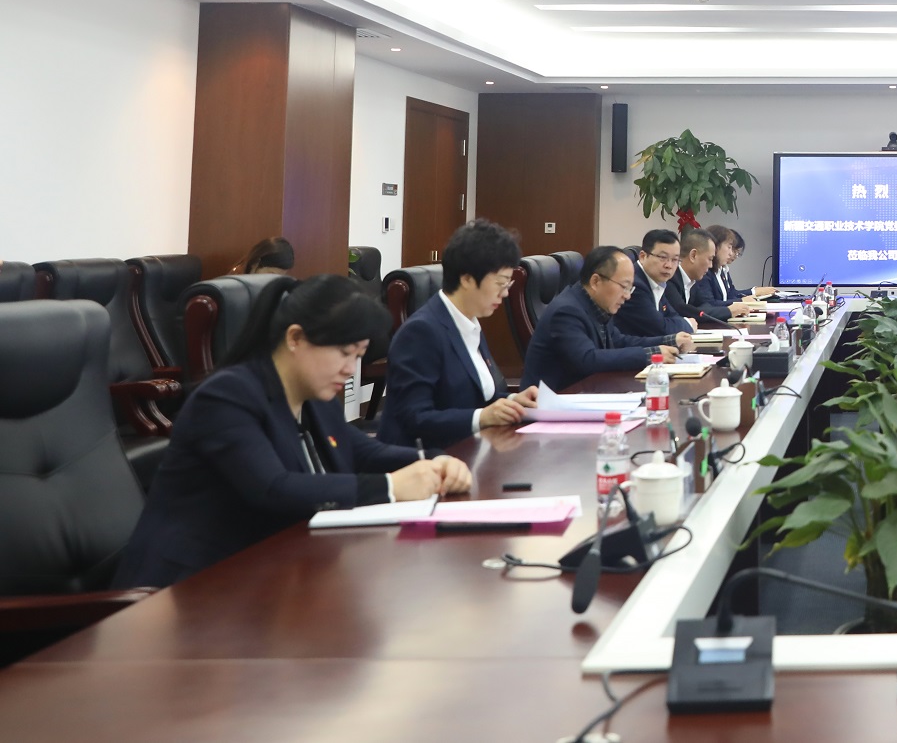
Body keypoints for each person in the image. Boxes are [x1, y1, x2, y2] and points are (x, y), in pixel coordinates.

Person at [115, 275, 469, 587]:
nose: (351, 369)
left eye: (359, 355)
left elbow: (361, 451)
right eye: (345, 353)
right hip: (190, 587)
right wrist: (391, 487)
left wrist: (431, 460)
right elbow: (273, 488)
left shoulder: (314, 394)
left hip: (268, 574)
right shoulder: (226, 397)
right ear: (296, 338)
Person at [379, 220, 544, 448]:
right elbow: (415, 418)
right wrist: (482, 417)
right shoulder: (421, 333)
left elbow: (476, 398)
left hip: (471, 450)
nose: (505, 293)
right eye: (501, 283)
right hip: (425, 459)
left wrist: (514, 400)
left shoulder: (469, 323)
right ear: (467, 279)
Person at [521, 246, 678, 392]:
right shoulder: (566, 311)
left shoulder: (595, 304)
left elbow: (618, 341)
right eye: (624, 286)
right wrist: (650, 355)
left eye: (630, 288)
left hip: (587, 393)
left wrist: (669, 341)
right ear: (596, 281)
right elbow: (587, 360)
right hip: (553, 401)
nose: (627, 295)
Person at [616, 229, 701, 346]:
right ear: (643, 256)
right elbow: (659, 328)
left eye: (675, 259)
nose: (669, 265)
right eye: (662, 257)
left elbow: (672, 315)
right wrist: (688, 324)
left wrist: (681, 322)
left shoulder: (657, 281)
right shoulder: (634, 285)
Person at [669, 228, 754, 323]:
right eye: (710, 259)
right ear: (693, 255)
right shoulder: (671, 280)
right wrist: (729, 311)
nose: (710, 265)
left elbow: (705, 306)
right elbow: (685, 312)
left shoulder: (692, 282)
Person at [707, 226, 775, 302]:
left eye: (737, 252)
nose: (732, 254)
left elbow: (731, 294)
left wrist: (753, 292)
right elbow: (709, 304)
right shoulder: (706, 271)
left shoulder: (722, 269)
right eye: (730, 248)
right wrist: (744, 299)